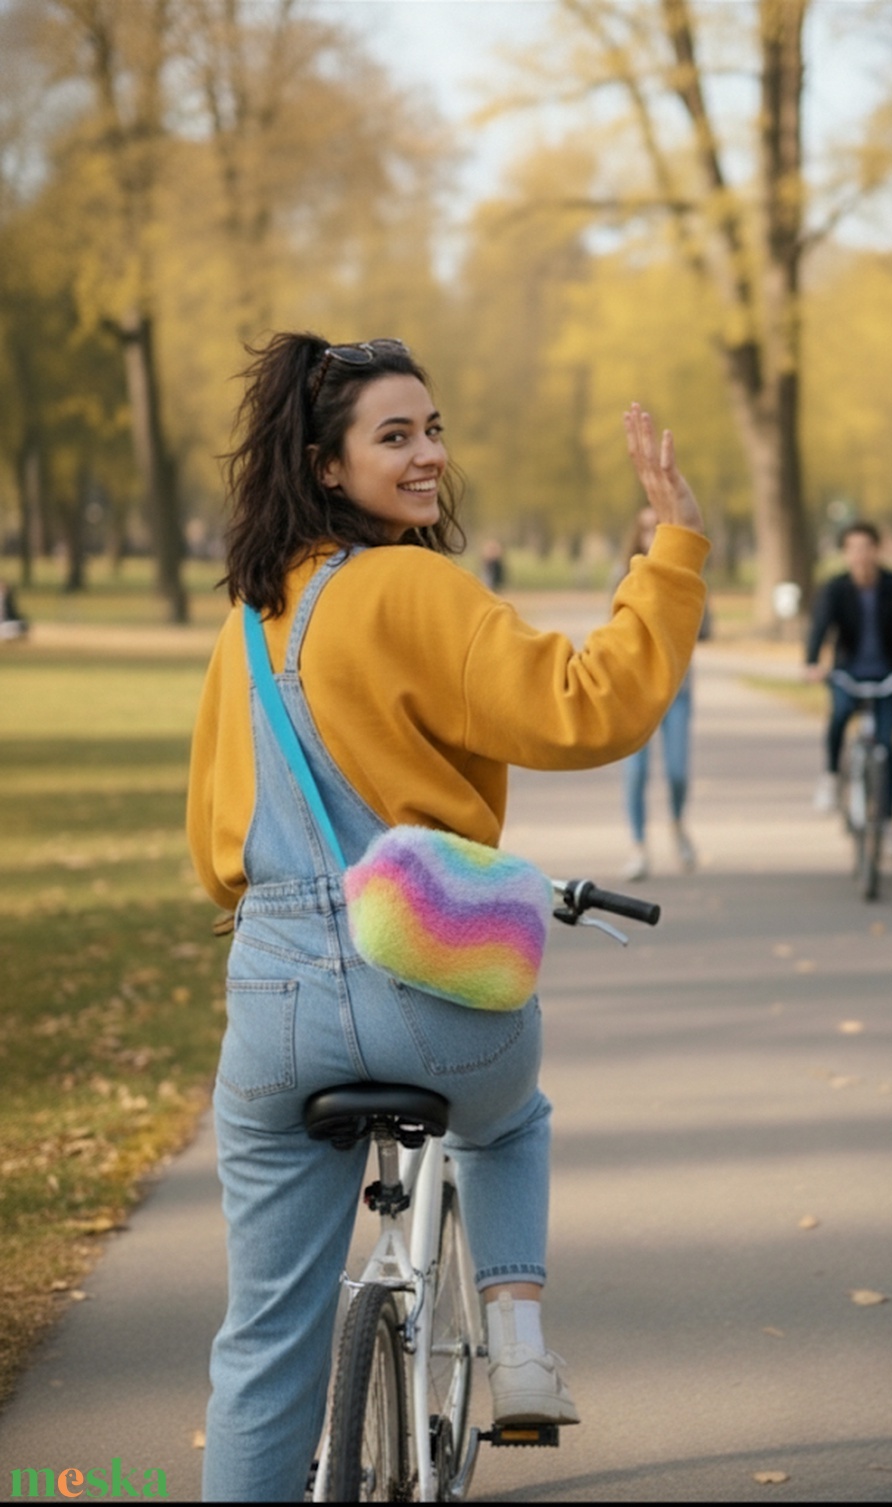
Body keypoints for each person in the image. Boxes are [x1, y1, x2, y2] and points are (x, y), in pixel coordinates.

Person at [186, 333, 708, 1502]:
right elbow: (587, 705)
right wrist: (669, 553)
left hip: (274, 998)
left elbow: (214, 842)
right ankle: (517, 1345)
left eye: (431, 429)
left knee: (261, 1339)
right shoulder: (414, 586)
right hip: (424, 982)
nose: (427, 455)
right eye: (394, 436)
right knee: (508, 1117)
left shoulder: (248, 621)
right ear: (327, 464)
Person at [804, 520, 892, 860]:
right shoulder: (835, 588)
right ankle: (830, 776)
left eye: (866, 548)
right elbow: (820, 626)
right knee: (839, 716)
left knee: (887, 747)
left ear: (877, 550)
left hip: (886, 675)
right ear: (845, 553)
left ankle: (889, 823)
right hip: (848, 672)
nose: (860, 555)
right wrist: (812, 662)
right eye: (853, 549)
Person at [618, 505, 708, 880]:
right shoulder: (624, 577)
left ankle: (678, 823)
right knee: (636, 773)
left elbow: (705, 627)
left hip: (677, 691)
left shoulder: (684, 577)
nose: (651, 536)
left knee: (677, 772)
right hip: (634, 694)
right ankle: (638, 846)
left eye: (658, 528)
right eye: (645, 529)